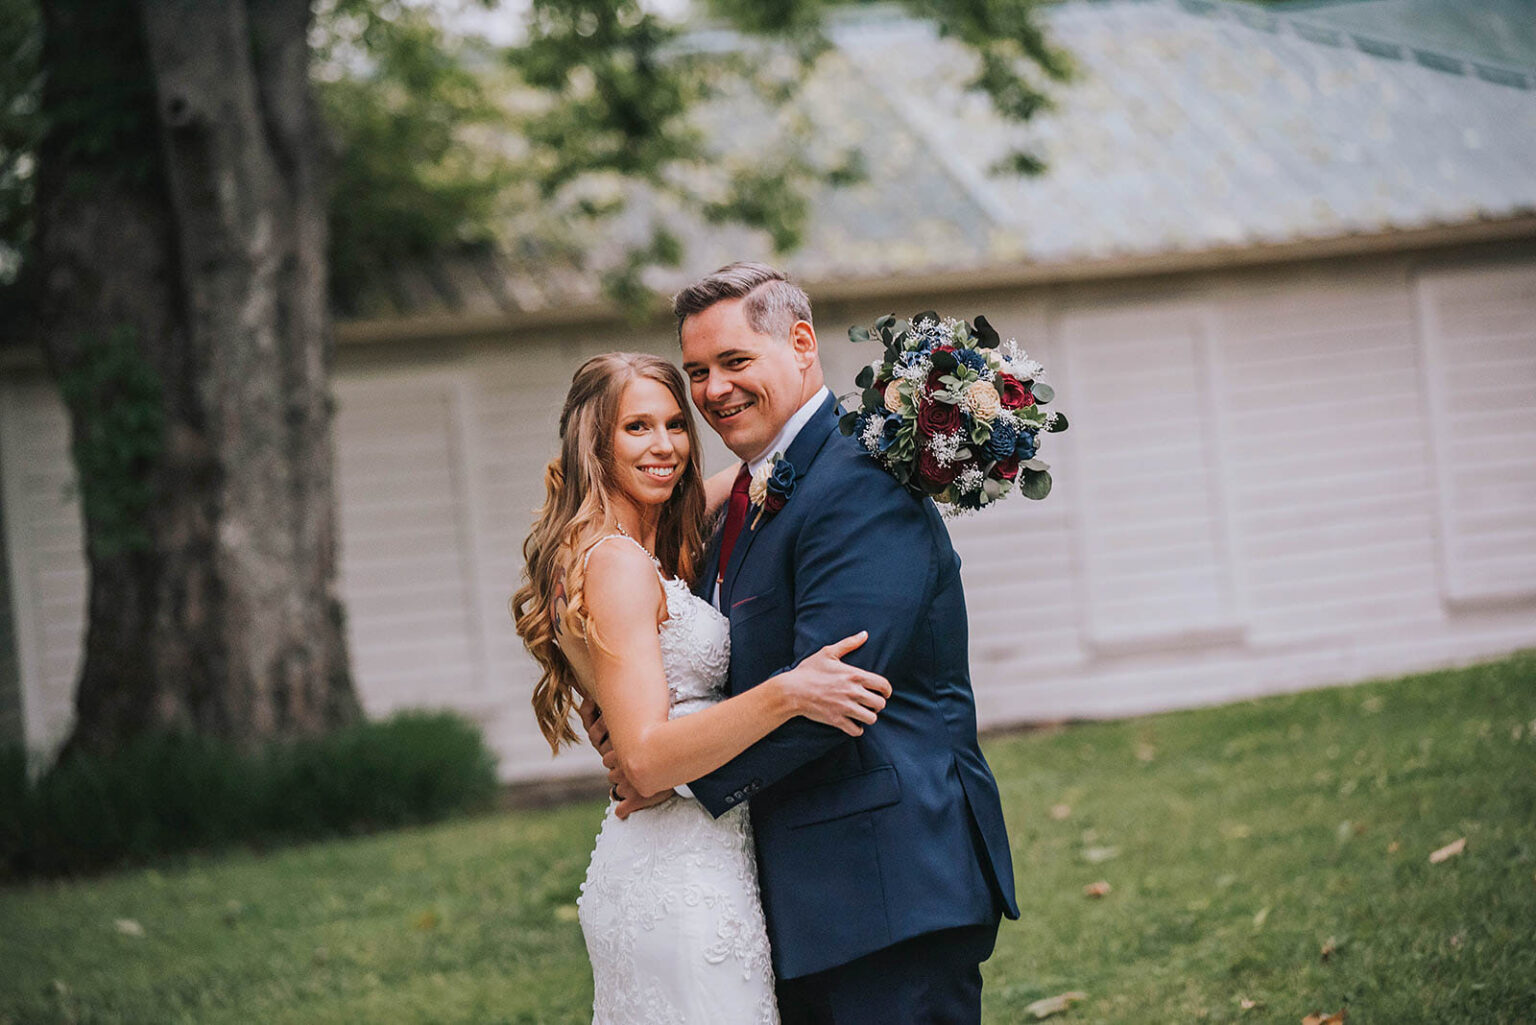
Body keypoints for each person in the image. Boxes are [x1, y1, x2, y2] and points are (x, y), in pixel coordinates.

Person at [593, 263, 1021, 1025]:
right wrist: (629, 725)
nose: (713, 390)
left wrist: (668, 773)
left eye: (733, 362)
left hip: (888, 886)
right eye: (697, 372)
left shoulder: (861, 480)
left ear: (800, 344)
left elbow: (838, 691)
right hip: (806, 898)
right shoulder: (755, 492)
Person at [511, 351, 891, 1025]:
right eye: (636, 428)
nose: (665, 446)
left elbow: (752, 478)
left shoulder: (637, 544)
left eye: (674, 425)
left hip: (693, 858)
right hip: (677, 881)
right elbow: (648, 761)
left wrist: (883, 418)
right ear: (593, 442)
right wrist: (790, 692)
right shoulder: (620, 566)